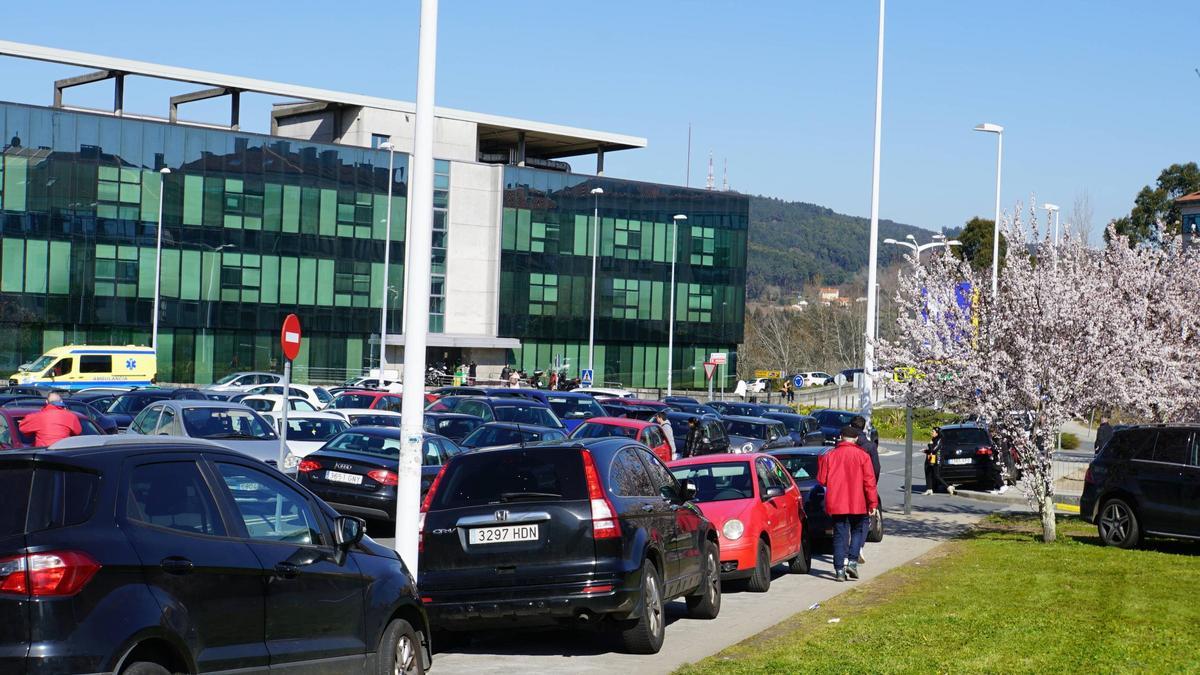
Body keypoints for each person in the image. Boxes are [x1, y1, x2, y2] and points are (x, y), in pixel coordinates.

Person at [817, 425, 878, 582]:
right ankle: (852, 561)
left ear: (841, 437)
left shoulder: (830, 456)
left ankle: (839, 570)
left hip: (837, 502)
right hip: (859, 502)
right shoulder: (863, 456)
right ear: (856, 439)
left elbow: (822, 480)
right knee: (858, 530)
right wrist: (873, 504)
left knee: (839, 534)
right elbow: (869, 482)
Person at [849, 415, 881, 564]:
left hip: (847, 487)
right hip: (864, 487)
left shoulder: (847, 446)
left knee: (844, 521)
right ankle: (858, 547)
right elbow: (876, 469)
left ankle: (847, 550)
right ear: (863, 427)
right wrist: (872, 486)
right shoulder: (870, 446)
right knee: (863, 520)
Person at [18, 393, 82, 447]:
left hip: (43, 452)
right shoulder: (71, 416)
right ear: (61, 401)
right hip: (64, 451)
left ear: (46, 402)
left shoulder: (37, 416)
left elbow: (22, 428)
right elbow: (78, 431)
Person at [923, 427, 953, 496]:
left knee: (936, 475)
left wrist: (930, 445)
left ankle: (948, 487)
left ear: (937, 433)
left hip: (937, 459)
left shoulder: (939, 440)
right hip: (931, 458)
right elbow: (931, 451)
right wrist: (925, 451)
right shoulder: (934, 439)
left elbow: (934, 450)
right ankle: (929, 489)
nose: (931, 433)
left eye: (933, 432)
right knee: (928, 472)